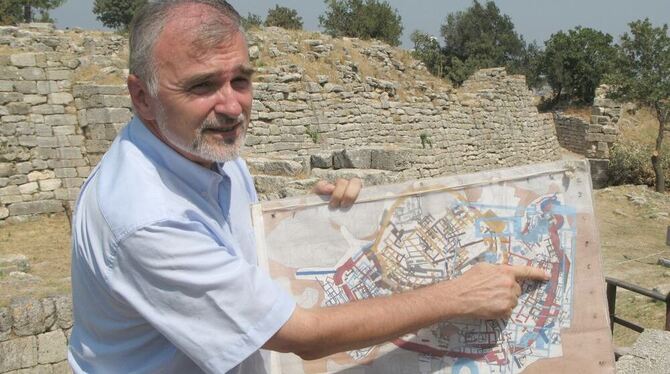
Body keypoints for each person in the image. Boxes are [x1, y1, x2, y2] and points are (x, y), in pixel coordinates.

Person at [68, 1, 549, 373]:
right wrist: (461, 296)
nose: (232, 106)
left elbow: (244, 251)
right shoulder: (145, 216)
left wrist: (318, 221)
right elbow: (302, 334)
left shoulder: (200, 151)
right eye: (201, 86)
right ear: (141, 96)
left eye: (240, 79)